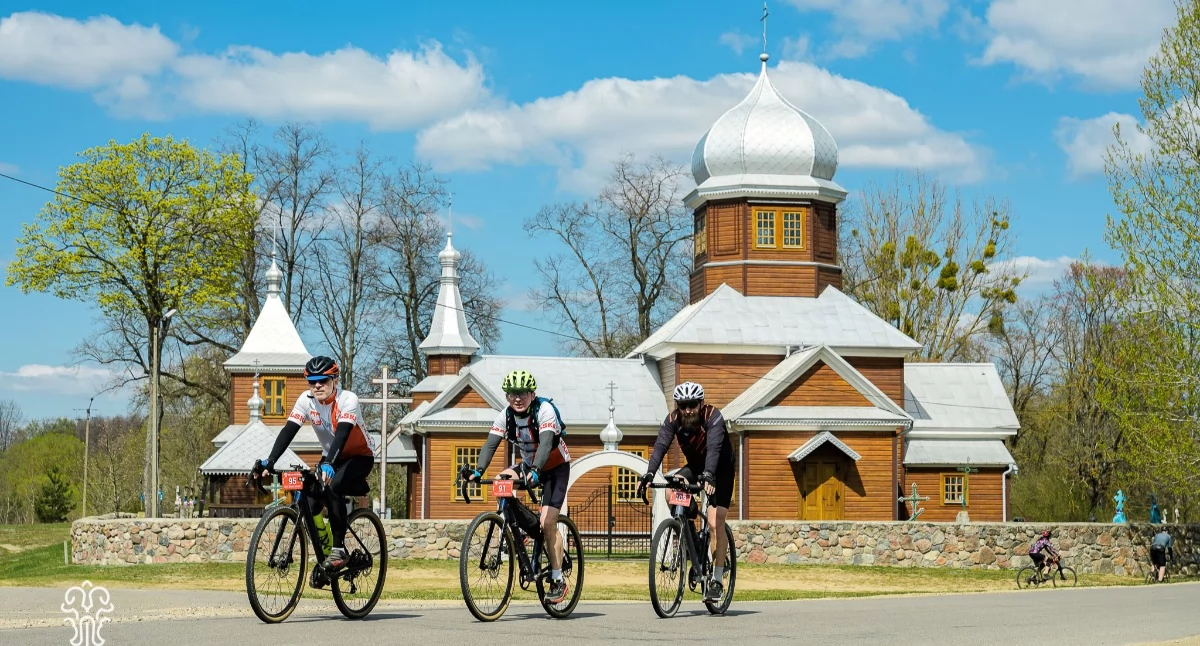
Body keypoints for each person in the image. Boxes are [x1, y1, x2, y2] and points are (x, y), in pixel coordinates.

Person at [251, 355, 376, 576]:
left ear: (334, 380)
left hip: (359, 456)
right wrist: (269, 463)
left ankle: (339, 550)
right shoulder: (306, 400)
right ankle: (326, 556)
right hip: (330, 457)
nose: (317, 385)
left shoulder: (348, 400)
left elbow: (342, 434)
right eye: (312, 381)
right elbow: (288, 431)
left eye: (323, 381)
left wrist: (329, 463)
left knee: (333, 485)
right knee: (308, 499)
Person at [462, 369, 572, 604]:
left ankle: (557, 579)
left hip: (554, 467)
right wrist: (478, 471)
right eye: (512, 394)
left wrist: (536, 472)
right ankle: (520, 527)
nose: (517, 398)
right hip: (530, 465)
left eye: (522, 393)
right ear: (506, 397)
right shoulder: (505, 416)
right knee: (501, 479)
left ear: (532, 394)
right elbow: (490, 445)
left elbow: (544, 445)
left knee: (548, 522)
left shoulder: (545, 410)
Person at [636, 381, 736, 603]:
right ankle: (693, 540)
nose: (688, 410)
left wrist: (709, 475)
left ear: (700, 403)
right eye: (683, 405)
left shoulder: (713, 417)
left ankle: (717, 581)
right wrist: (649, 474)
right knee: (672, 491)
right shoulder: (673, 420)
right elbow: (661, 446)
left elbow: (715, 449)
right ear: (677, 406)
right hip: (697, 466)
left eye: (692, 404)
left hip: (720, 468)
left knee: (714, 522)